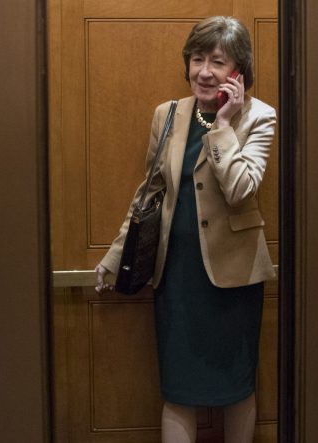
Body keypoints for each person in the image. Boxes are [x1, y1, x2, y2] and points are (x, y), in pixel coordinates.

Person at [95, 16, 276, 443]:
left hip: (234, 276)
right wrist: (115, 255)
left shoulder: (260, 116)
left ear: (239, 71)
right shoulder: (168, 114)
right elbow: (149, 194)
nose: (205, 71)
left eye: (217, 60)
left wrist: (225, 126)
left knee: (237, 387)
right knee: (178, 387)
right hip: (176, 274)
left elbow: (240, 189)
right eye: (198, 59)